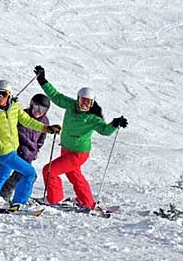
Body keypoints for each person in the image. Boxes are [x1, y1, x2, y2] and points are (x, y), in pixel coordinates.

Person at [33, 65, 128, 210]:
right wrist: (42, 80)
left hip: (78, 153)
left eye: (88, 102)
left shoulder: (92, 118)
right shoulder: (71, 105)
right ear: (78, 99)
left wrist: (114, 124)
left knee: (50, 170)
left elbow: (105, 130)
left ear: (92, 103)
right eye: (82, 101)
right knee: (74, 176)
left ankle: (54, 199)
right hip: (66, 149)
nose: (84, 105)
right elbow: (56, 96)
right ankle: (87, 202)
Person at [0, 80, 61, 206]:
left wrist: (46, 128)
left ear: (9, 95)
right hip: (2, 151)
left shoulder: (14, 107)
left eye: (4, 94)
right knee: (29, 173)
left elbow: (28, 121)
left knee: (3, 174)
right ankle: (20, 203)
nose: (0, 97)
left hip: (13, 149)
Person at [0, 94, 51, 202]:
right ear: (31, 105)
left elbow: (42, 137)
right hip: (17, 151)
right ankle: (7, 196)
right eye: (36, 107)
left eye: (43, 109)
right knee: (22, 174)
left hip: (29, 154)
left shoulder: (44, 121)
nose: (39, 111)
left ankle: (15, 197)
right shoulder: (22, 115)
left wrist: (37, 148)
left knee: (24, 176)